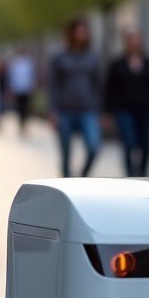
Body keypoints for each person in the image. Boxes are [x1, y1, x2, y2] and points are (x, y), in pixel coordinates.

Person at [48, 17, 102, 178]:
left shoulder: (92, 57)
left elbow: (98, 84)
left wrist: (101, 110)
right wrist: (53, 111)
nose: (81, 34)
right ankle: (66, 184)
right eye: (78, 30)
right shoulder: (59, 57)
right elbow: (53, 85)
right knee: (66, 153)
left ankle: (83, 176)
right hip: (65, 110)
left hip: (88, 109)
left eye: (84, 31)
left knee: (93, 147)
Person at [105, 28, 149, 176]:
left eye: (137, 39)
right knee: (129, 143)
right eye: (131, 39)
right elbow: (110, 89)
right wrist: (108, 112)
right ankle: (130, 174)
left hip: (145, 109)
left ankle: (143, 174)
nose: (134, 43)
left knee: (145, 145)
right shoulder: (117, 64)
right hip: (124, 109)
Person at [6, 47, 37, 134]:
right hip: (18, 89)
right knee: (19, 107)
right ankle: (20, 123)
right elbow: (12, 76)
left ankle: (25, 123)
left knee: (26, 107)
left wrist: (33, 86)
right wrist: (11, 88)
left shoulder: (29, 62)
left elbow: (32, 75)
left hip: (27, 88)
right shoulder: (15, 62)